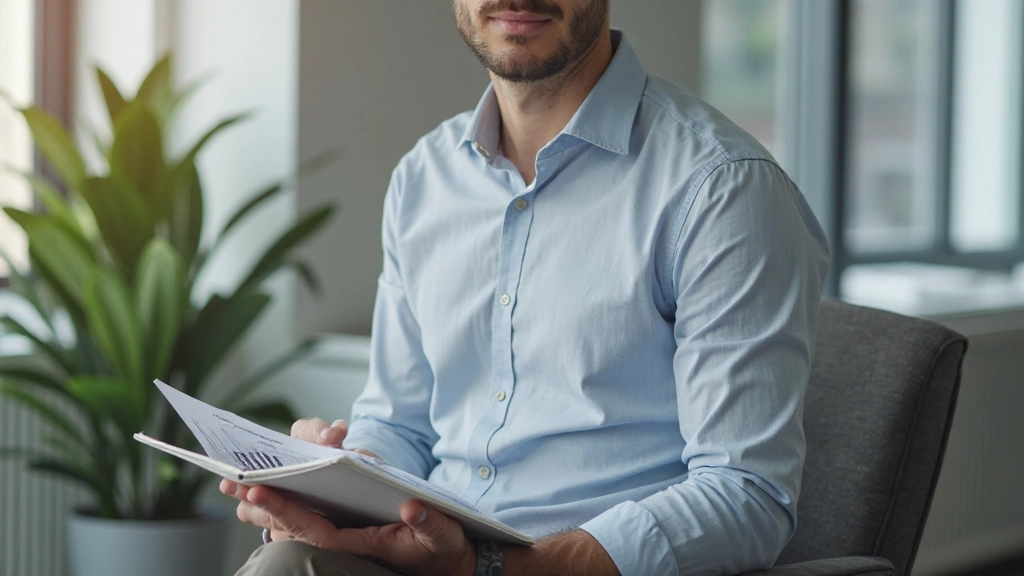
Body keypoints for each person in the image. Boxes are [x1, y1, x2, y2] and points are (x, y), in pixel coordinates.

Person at [221, 0, 830, 574]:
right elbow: (400, 426)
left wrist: (487, 568)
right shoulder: (423, 179)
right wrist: (339, 487)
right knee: (289, 560)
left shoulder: (722, 188)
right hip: (429, 557)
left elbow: (746, 495)